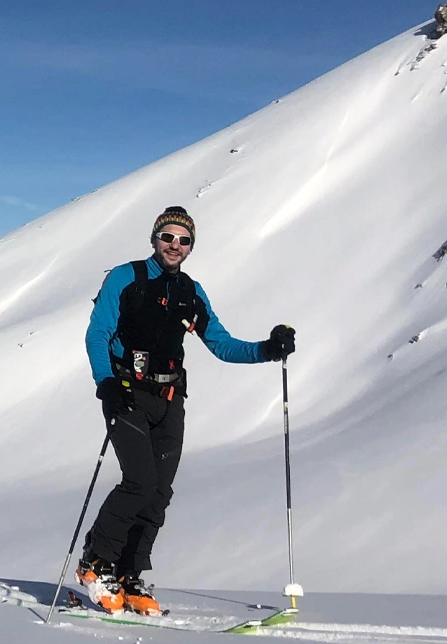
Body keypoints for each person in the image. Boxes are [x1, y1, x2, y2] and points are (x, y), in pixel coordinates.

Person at [77, 205, 294, 616]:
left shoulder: (190, 292)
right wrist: (106, 382)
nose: (175, 246)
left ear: (191, 246)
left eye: (184, 240)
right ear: (154, 239)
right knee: (138, 482)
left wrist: (268, 349)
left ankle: (128, 574)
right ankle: (95, 564)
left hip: (170, 400)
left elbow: (222, 344)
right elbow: (98, 332)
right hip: (126, 392)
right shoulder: (126, 277)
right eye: (168, 237)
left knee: (159, 493)